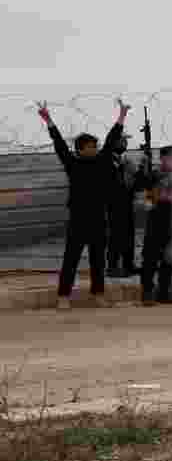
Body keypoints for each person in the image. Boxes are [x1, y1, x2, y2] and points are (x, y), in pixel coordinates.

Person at [37, 99, 131, 310]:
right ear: (80, 149)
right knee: (70, 260)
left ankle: (98, 294)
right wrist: (49, 120)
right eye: (90, 147)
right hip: (78, 220)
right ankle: (63, 296)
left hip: (99, 218)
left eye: (95, 146)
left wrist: (122, 115)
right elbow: (60, 144)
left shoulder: (102, 161)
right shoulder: (73, 164)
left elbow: (111, 139)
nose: (95, 149)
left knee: (98, 260)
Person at [138, 145, 172, 305]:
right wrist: (155, 195)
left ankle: (164, 291)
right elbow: (147, 200)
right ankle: (147, 291)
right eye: (170, 157)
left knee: (168, 258)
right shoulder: (154, 175)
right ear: (162, 159)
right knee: (150, 259)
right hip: (156, 220)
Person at [106, 135, 139, 277]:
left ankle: (128, 265)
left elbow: (135, 183)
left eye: (125, 141)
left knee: (128, 234)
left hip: (127, 201)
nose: (124, 143)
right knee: (116, 235)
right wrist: (121, 168)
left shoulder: (126, 161)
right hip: (114, 203)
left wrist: (138, 171)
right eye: (121, 140)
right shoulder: (107, 160)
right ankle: (113, 267)